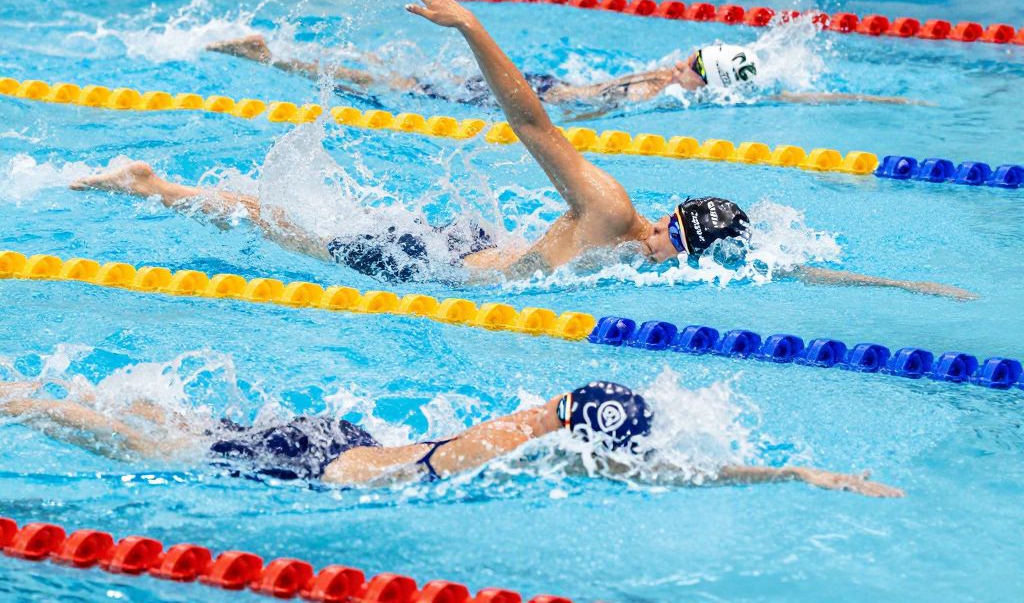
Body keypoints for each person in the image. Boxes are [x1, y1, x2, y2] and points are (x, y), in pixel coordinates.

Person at [70, 0, 974, 300]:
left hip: (466, 252)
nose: (672, 260)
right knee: (273, 224)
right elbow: (531, 121)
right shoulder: (615, 215)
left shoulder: (656, 249)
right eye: (676, 251)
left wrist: (897, 284)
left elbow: (780, 265)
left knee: (293, 217)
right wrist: (467, 25)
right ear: (665, 233)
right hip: (425, 268)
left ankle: (170, 184)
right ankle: (158, 188)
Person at [0, 378, 902, 497]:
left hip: (339, 434)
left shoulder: (543, 424)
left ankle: (41, 391)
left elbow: (674, 467)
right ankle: (22, 402)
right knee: (131, 447)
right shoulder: (509, 441)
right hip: (324, 464)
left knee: (174, 420)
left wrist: (788, 471)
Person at [207, 34, 922, 117]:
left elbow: (792, 88)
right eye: (691, 58)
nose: (684, 64)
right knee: (395, 84)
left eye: (696, 66)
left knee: (399, 78)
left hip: (542, 85)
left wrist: (872, 94)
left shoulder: (661, 86)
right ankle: (276, 59)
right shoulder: (658, 88)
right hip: (533, 93)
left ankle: (280, 56)